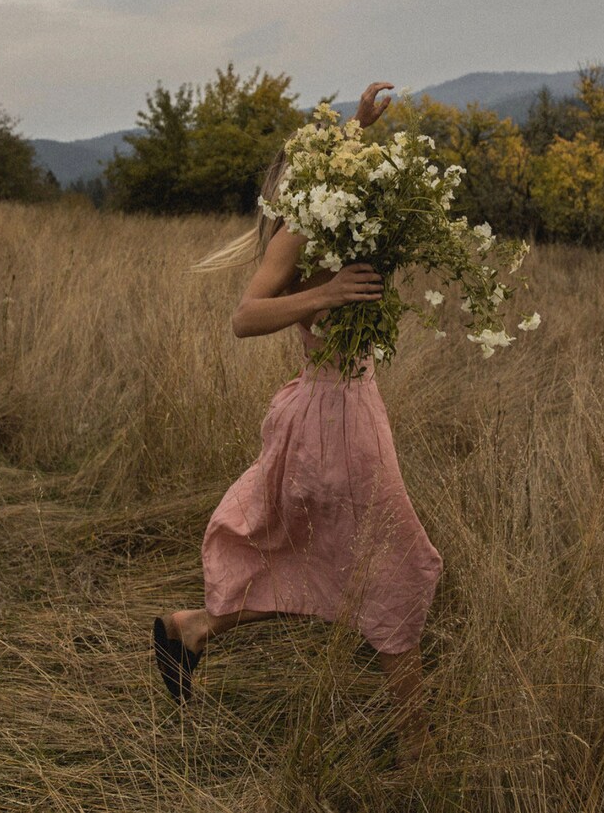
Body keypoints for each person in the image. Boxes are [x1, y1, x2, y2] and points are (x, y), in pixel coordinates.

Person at [153, 82, 443, 766]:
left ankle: (191, 627)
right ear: (306, 182)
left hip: (346, 408)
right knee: (399, 569)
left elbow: (334, 177)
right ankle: (423, 754)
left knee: (331, 562)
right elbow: (244, 315)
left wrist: (361, 126)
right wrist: (328, 292)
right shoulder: (303, 228)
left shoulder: (341, 217)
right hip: (331, 417)